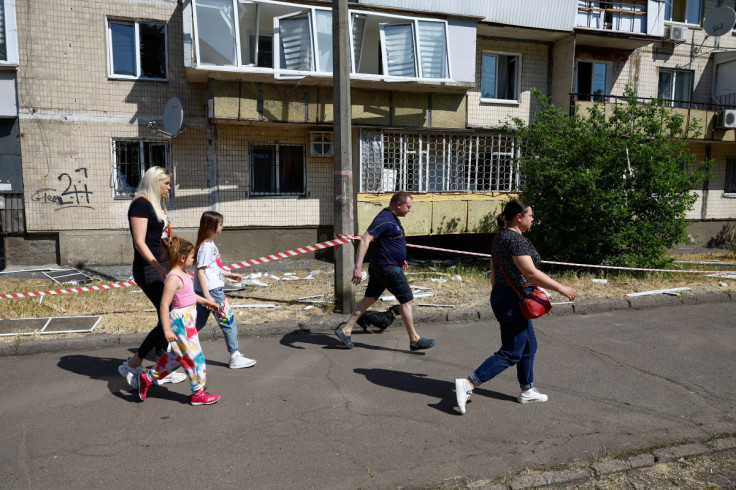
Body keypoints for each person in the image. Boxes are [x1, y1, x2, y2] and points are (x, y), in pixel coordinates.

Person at [454, 199, 576, 414]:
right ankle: (468, 383)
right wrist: (561, 288)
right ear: (518, 217)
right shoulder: (514, 240)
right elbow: (530, 272)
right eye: (530, 216)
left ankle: (527, 391)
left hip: (505, 296)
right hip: (512, 300)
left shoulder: (500, 237)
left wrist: (498, 291)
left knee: (529, 345)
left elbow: (494, 269)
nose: (533, 219)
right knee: (511, 351)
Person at [334, 191, 436, 352]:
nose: (410, 210)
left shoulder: (392, 219)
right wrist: (357, 268)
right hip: (387, 268)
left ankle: (346, 330)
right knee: (407, 300)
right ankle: (414, 339)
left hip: (385, 265)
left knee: (369, 298)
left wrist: (399, 258)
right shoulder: (384, 218)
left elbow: (387, 243)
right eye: (408, 207)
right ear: (398, 204)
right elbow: (365, 239)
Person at [118, 167, 186, 388]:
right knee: (169, 316)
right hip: (149, 269)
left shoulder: (154, 205)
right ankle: (133, 363)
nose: (169, 187)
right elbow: (140, 242)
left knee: (166, 315)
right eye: (166, 183)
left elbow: (161, 238)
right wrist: (158, 267)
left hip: (161, 266)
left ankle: (160, 366)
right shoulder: (141, 203)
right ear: (154, 182)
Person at [137, 236, 221, 405]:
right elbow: (164, 304)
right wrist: (167, 330)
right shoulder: (173, 278)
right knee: (193, 357)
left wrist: (206, 301)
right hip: (180, 323)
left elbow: (189, 296)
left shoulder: (183, 274)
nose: (194, 261)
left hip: (188, 320)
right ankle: (198, 392)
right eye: (192, 258)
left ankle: (148, 377)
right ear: (182, 258)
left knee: (176, 357)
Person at [194, 211, 256, 369]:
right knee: (228, 322)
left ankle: (175, 346)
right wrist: (208, 296)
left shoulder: (207, 244)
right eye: (220, 224)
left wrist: (228, 274)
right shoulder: (206, 246)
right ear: (212, 227)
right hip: (212, 291)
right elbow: (200, 271)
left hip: (208, 290)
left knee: (197, 323)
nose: (222, 227)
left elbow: (212, 268)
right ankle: (235, 356)